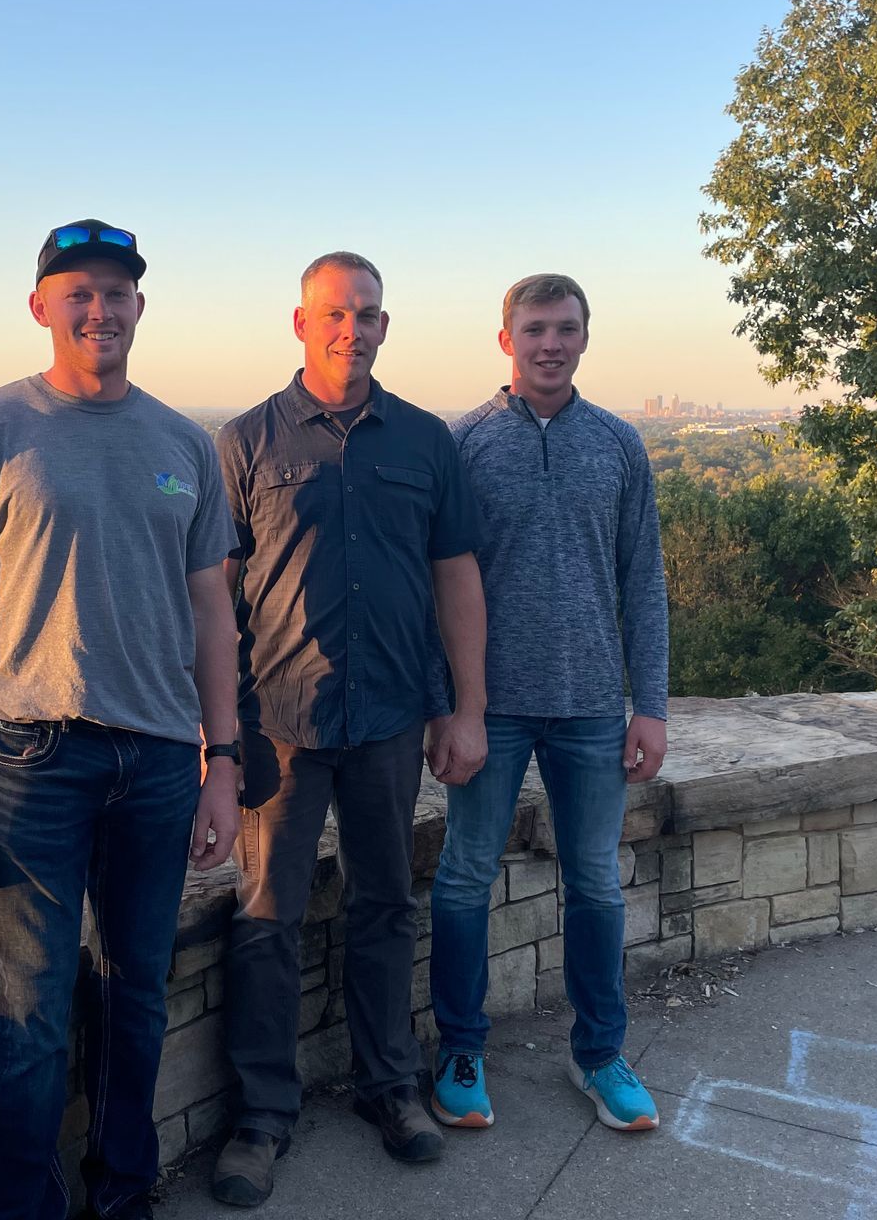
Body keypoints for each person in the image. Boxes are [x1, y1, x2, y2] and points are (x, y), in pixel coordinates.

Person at [0, 219, 243, 1220]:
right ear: (41, 306)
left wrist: (222, 762)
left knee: (139, 994)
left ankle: (123, 1192)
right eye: (78, 292)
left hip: (161, 760)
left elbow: (214, 615)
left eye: (116, 292)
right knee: (33, 1011)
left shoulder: (184, 442)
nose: (99, 309)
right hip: (31, 757)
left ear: (140, 306)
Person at [209, 252, 488, 1208]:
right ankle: (261, 1117)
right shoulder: (246, 442)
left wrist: (465, 708)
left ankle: (389, 1088)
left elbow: (456, 577)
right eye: (334, 313)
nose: (351, 329)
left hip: (390, 717)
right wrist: (216, 733)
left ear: (383, 325)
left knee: (385, 907)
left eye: (366, 314)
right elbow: (212, 599)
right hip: (279, 725)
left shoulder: (424, 439)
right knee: (266, 919)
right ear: (301, 324)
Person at [425, 272, 669, 1135]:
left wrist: (651, 704)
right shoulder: (464, 444)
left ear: (585, 338)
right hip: (487, 707)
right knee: (464, 876)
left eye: (565, 328)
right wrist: (448, 706)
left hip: (594, 705)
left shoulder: (618, 444)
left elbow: (644, 581)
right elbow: (435, 585)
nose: (550, 344)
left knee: (596, 881)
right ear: (507, 340)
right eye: (535, 329)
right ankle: (460, 1051)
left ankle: (600, 1053)